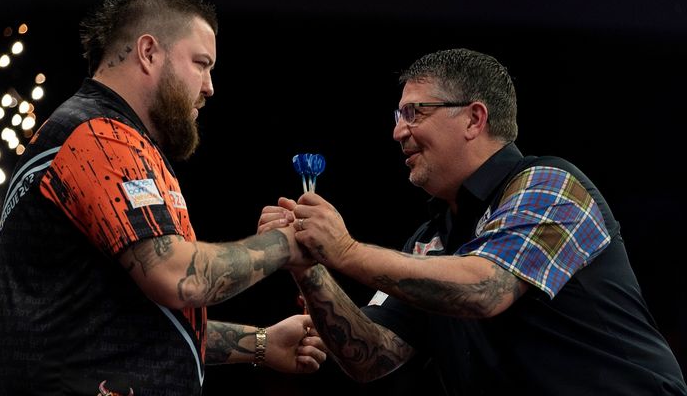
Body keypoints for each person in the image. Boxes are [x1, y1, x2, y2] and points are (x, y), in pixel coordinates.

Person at [261, 48, 687, 395]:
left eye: (415, 113)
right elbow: (371, 357)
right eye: (398, 117)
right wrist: (308, 266)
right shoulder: (429, 241)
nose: (398, 132)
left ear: (473, 118)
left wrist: (346, 251)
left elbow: (486, 289)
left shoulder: (550, 186)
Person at [0, 0, 326, 396]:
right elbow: (176, 275)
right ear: (148, 52)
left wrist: (261, 343)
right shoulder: (98, 136)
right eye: (201, 64)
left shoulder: (100, 136)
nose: (210, 87)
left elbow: (130, 319)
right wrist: (286, 245)